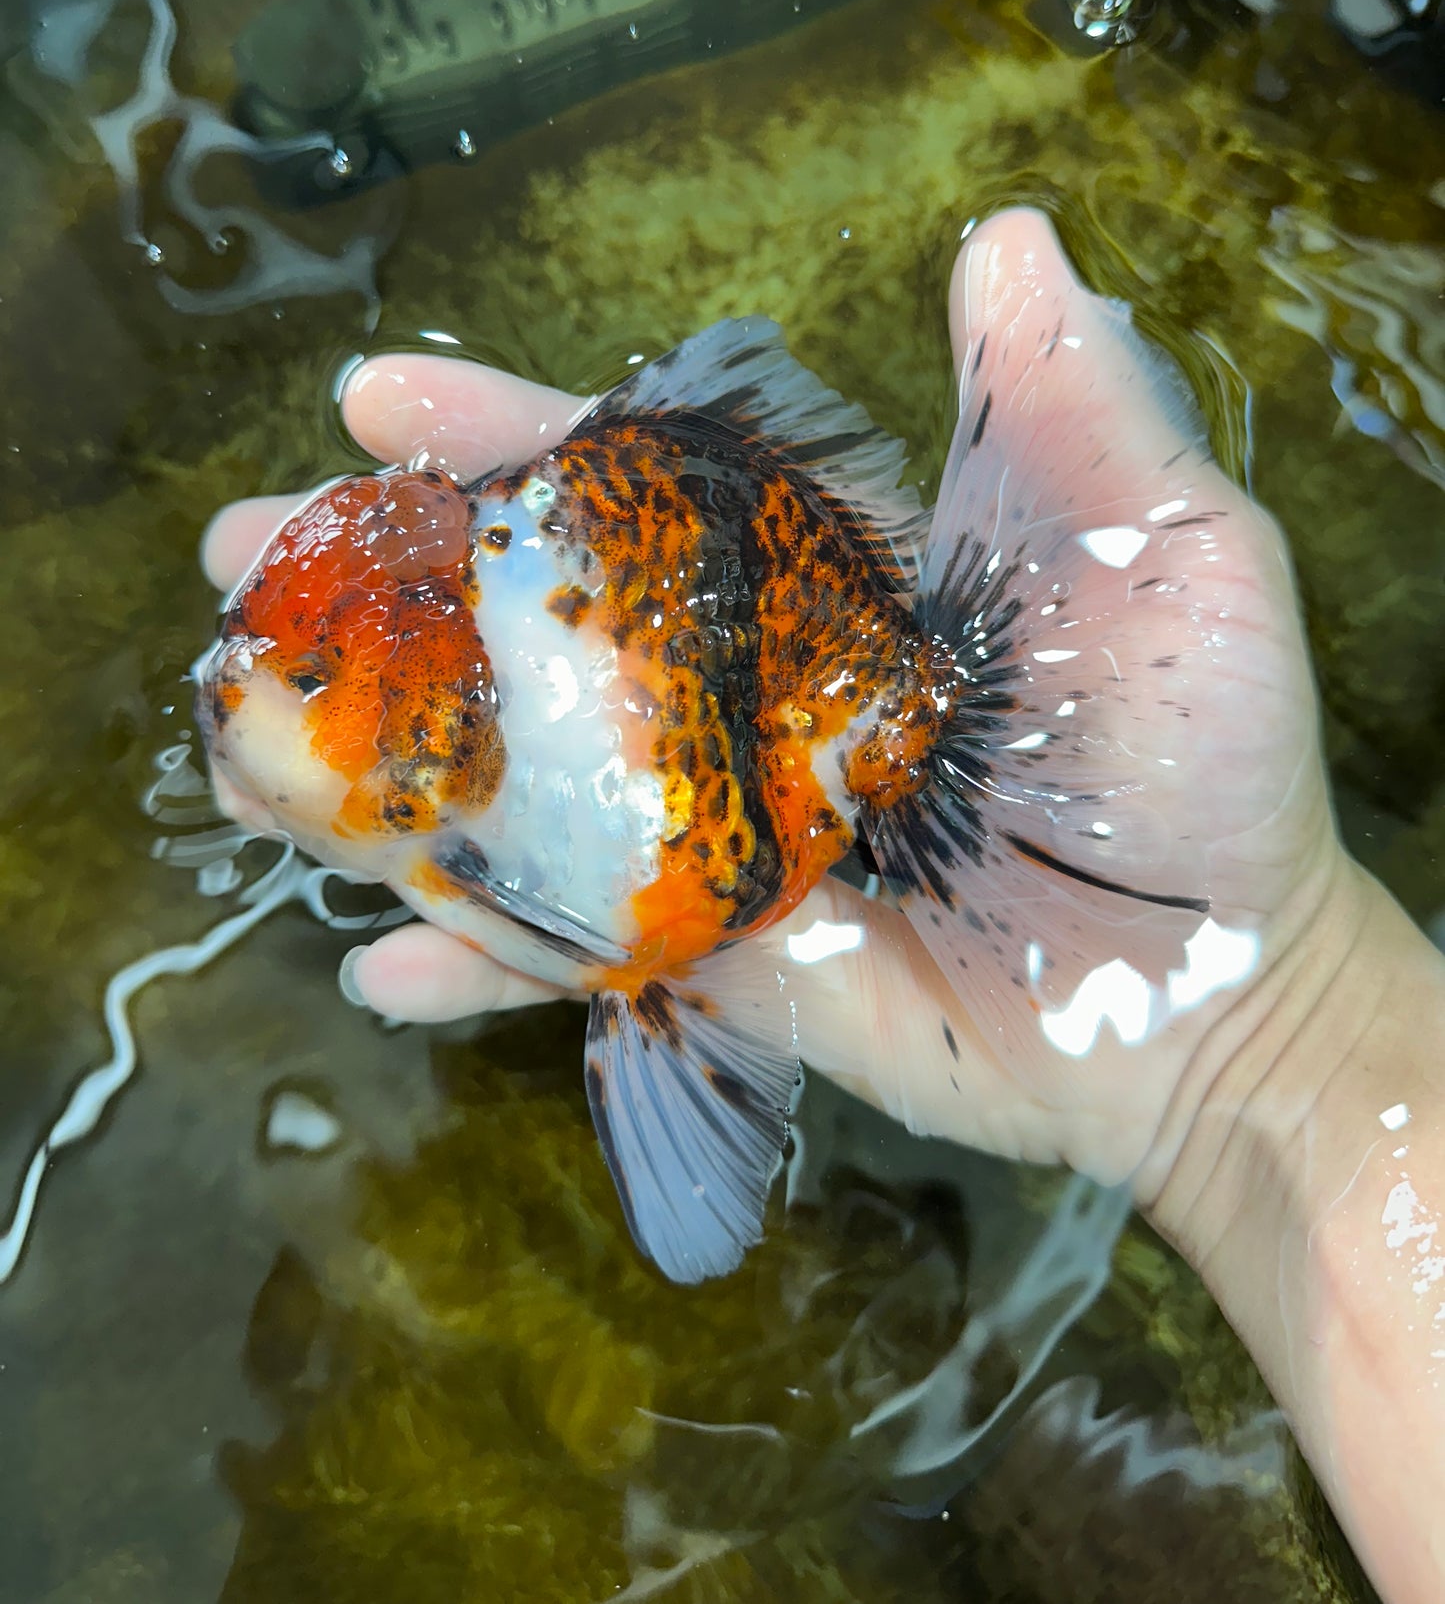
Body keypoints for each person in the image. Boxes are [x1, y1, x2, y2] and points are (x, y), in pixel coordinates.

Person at [203, 212, 1445, 1603]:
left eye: (301, 676)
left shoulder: (455, 778)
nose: (241, 694)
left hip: (767, 770)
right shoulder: (444, 759)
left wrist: (1263, 1021)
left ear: (429, 728)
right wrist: (1274, 1035)